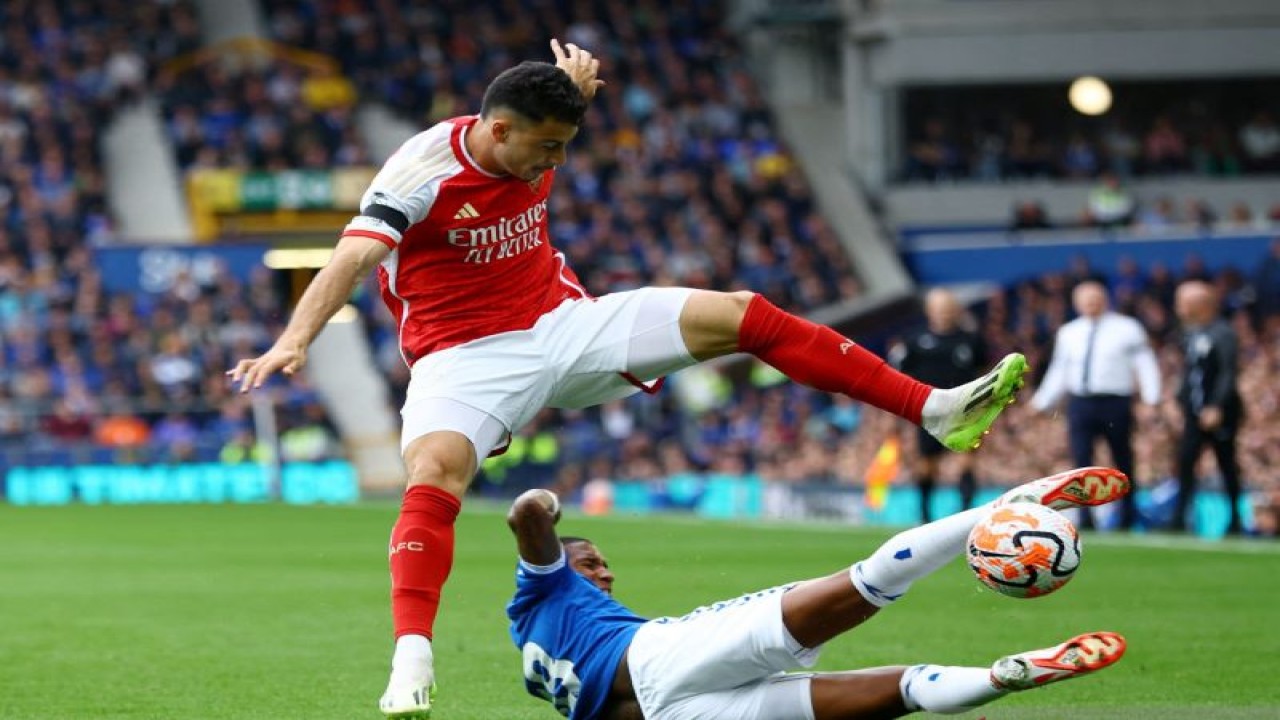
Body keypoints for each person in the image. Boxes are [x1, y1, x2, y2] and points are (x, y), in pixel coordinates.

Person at [228, 41, 1029, 718]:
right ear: (497, 131)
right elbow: (353, 256)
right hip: (464, 356)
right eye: (546, 148)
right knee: (433, 471)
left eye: (566, 144)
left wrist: (575, 88)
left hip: (564, 322)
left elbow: (557, 107)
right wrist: (293, 340)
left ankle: (933, 407)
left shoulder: (534, 119)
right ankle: (411, 658)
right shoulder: (420, 174)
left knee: (741, 313)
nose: (558, 162)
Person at [506, 467, 1131, 719]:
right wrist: (548, 508)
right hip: (656, 656)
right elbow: (526, 516)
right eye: (592, 562)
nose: (605, 573)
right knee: (866, 584)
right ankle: (1017, 501)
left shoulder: (537, 644)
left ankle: (1000, 677)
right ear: (563, 562)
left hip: (669, 715)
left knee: (903, 690)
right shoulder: (542, 589)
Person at [1031, 281, 1160, 531]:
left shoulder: (1127, 328)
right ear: (1076, 303)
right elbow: (1060, 370)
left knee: (1122, 458)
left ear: (1105, 299)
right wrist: (1041, 402)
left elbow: (1145, 364)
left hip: (1115, 401)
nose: (1090, 303)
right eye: (1085, 299)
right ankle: (1086, 518)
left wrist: (1151, 398)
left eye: (1095, 298)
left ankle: (1127, 515)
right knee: (1081, 461)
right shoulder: (1069, 332)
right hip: (1081, 402)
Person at [889, 289, 987, 521]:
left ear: (956, 310)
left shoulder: (971, 340)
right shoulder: (914, 340)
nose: (945, 313)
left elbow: (984, 373)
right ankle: (925, 513)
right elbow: (898, 374)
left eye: (948, 308)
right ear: (929, 311)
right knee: (927, 465)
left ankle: (966, 514)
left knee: (967, 460)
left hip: (965, 409)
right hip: (929, 411)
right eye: (940, 309)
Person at [1171, 281, 1244, 535]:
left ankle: (1235, 518)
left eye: (1183, 301)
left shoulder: (1223, 333)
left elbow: (1227, 372)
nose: (1178, 307)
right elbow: (1191, 372)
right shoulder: (1190, 333)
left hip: (1219, 411)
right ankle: (1180, 517)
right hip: (1194, 410)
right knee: (1185, 460)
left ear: (1200, 304)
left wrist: (1216, 405)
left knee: (1226, 461)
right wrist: (1179, 399)